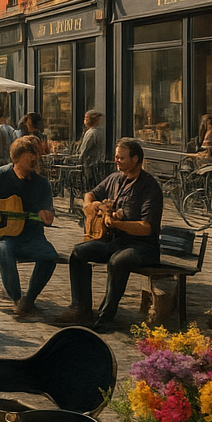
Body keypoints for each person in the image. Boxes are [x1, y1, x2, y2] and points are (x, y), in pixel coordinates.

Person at [58, 138, 164, 332]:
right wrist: (90, 205)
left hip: (142, 246)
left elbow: (146, 228)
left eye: (121, 157)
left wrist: (117, 224)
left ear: (135, 158)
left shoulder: (150, 187)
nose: (116, 160)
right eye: (116, 156)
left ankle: (106, 317)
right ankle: (80, 307)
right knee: (79, 252)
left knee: (118, 261)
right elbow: (90, 194)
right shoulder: (116, 178)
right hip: (115, 242)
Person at [0, 136, 57, 320]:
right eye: (28, 157)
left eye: (35, 156)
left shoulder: (42, 184)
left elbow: (48, 212)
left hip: (33, 235)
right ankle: (16, 298)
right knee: (3, 249)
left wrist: (46, 216)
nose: (33, 161)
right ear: (16, 158)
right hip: (7, 235)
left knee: (49, 256)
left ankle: (29, 299)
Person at [77, 110, 105, 183]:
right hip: (99, 160)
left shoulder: (91, 133)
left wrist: (80, 158)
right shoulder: (101, 131)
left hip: (91, 162)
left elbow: (85, 148)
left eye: (86, 119)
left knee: (90, 180)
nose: (85, 121)